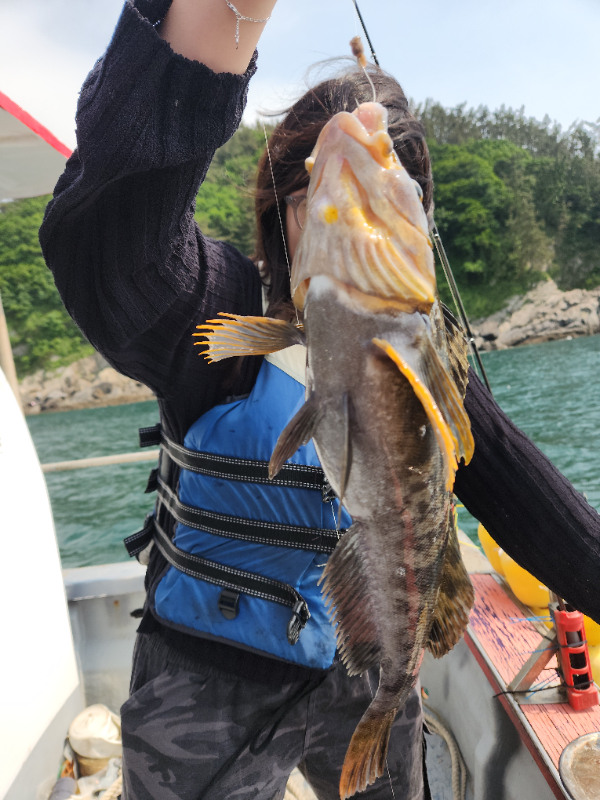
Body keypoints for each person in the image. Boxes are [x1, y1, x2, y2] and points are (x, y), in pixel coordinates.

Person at [40, 1, 600, 798]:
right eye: (318, 196)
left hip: (363, 663)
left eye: (391, 198)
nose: (351, 221)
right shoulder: (217, 313)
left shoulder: (429, 363)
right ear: (280, 214)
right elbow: (113, 250)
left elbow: (531, 502)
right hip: (206, 673)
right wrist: (219, 18)